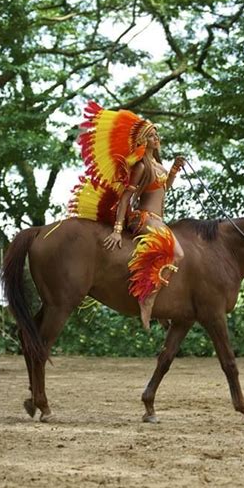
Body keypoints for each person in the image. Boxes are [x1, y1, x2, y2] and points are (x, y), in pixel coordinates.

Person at [69, 101, 185, 330]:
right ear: (143, 140)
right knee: (177, 253)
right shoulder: (141, 167)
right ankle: (148, 300)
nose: (156, 138)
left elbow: (163, 188)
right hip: (145, 217)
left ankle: (157, 301)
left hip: (159, 219)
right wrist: (117, 229)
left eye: (157, 134)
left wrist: (173, 170)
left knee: (170, 253)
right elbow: (125, 198)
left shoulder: (158, 166)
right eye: (152, 135)